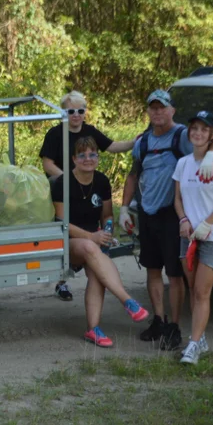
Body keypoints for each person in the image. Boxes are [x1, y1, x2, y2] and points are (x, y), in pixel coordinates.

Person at [120, 89, 213, 351]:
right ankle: (159, 320)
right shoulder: (143, 141)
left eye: (162, 107)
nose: (157, 112)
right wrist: (124, 208)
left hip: (173, 215)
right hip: (148, 212)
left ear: (172, 110)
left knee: (175, 274)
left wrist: (211, 157)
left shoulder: (182, 135)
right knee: (152, 269)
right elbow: (134, 175)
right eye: (152, 108)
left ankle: (175, 327)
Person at [51, 137, 150, 348]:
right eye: (82, 155)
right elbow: (62, 222)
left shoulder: (103, 181)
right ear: (74, 159)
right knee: (89, 248)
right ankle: (127, 301)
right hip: (68, 241)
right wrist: (92, 237)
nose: (88, 159)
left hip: (93, 241)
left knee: (97, 272)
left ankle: (93, 329)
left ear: (98, 157)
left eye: (93, 154)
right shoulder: (62, 183)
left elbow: (107, 215)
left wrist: (106, 230)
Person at [40, 90, 135, 302]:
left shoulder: (90, 132)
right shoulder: (55, 134)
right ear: (63, 112)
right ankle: (62, 280)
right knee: (63, 224)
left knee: (95, 221)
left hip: (86, 187)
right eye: (70, 110)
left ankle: (101, 257)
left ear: (85, 112)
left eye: (80, 110)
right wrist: (69, 180)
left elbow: (111, 146)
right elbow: (47, 163)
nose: (75, 114)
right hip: (62, 187)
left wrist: (135, 142)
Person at [171, 111, 213, 365]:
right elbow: (177, 198)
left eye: (203, 129)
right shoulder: (183, 163)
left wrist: (208, 223)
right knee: (193, 289)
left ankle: (192, 346)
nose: (197, 133)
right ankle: (200, 338)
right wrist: (184, 220)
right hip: (189, 235)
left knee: (201, 291)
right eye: (194, 128)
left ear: (212, 135)